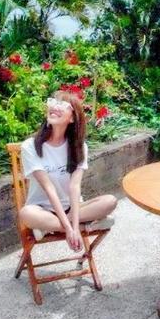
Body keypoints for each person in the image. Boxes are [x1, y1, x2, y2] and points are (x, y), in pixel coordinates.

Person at [18, 90, 117, 252]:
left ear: (72, 118)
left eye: (63, 104)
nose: (55, 106)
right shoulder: (30, 146)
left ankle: (50, 227)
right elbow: (48, 188)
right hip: (42, 209)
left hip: (72, 209)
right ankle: (86, 226)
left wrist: (74, 225)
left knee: (110, 201)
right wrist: (71, 229)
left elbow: (74, 187)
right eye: (53, 102)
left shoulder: (79, 147)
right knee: (26, 213)